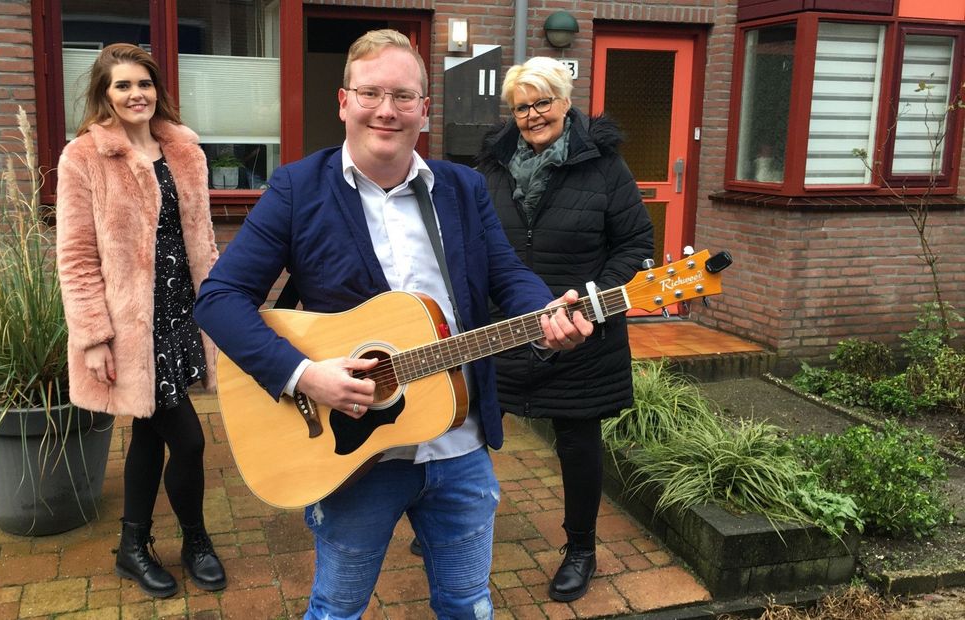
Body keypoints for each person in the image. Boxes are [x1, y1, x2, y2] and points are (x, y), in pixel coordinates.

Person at [195, 30, 593, 619]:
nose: (387, 110)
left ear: (424, 110)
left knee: (468, 605)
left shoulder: (461, 188)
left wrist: (547, 311)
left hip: (459, 445)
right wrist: (303, 374)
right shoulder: (298, 189)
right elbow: (220, 298)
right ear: (343, 101)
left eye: (404, 96)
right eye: (371, 93)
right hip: (354, 451)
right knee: (337, 609)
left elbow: (506, 274)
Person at [475, 57, 655, 602]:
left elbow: (635, 245)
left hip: (582, 333)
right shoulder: (492, 166)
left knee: (577, 443)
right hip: (501, 330)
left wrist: (594, 302)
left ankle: (580, 549)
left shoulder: (605, 167)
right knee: (472, 430)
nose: (532, 116)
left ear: (565, 100)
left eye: (542, 102)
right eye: (521, 107)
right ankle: (455, 519)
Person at [55, 43, 226, 599]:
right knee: (191, 441)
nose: (137, 95)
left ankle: (133, 546)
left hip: (183, 313)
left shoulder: (185, 151)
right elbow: (76, 258)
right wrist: (93, 337)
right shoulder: (83, 158)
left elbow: (201, 238)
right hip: (131, 326)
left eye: (144, 84)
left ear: (158, 90)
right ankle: (195, 540)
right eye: (123, 86)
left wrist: (222, 305)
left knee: (150, 430)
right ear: (105, 95)